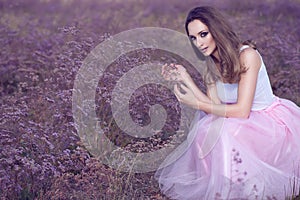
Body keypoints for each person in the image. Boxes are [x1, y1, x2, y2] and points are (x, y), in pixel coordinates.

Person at [155, 6, 300, 200]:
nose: (199, 42)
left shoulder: (247, 55)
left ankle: (232, 190)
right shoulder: (211, 65)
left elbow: (242, 111)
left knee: (222, 131)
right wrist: (185, 78)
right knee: (206, 129)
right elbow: (212, 107)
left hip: (268, 124)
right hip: (242, 121)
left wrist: (197, 104)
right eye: (193, 38)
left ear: (217, 30)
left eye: (203, 34)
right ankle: (223, 188)